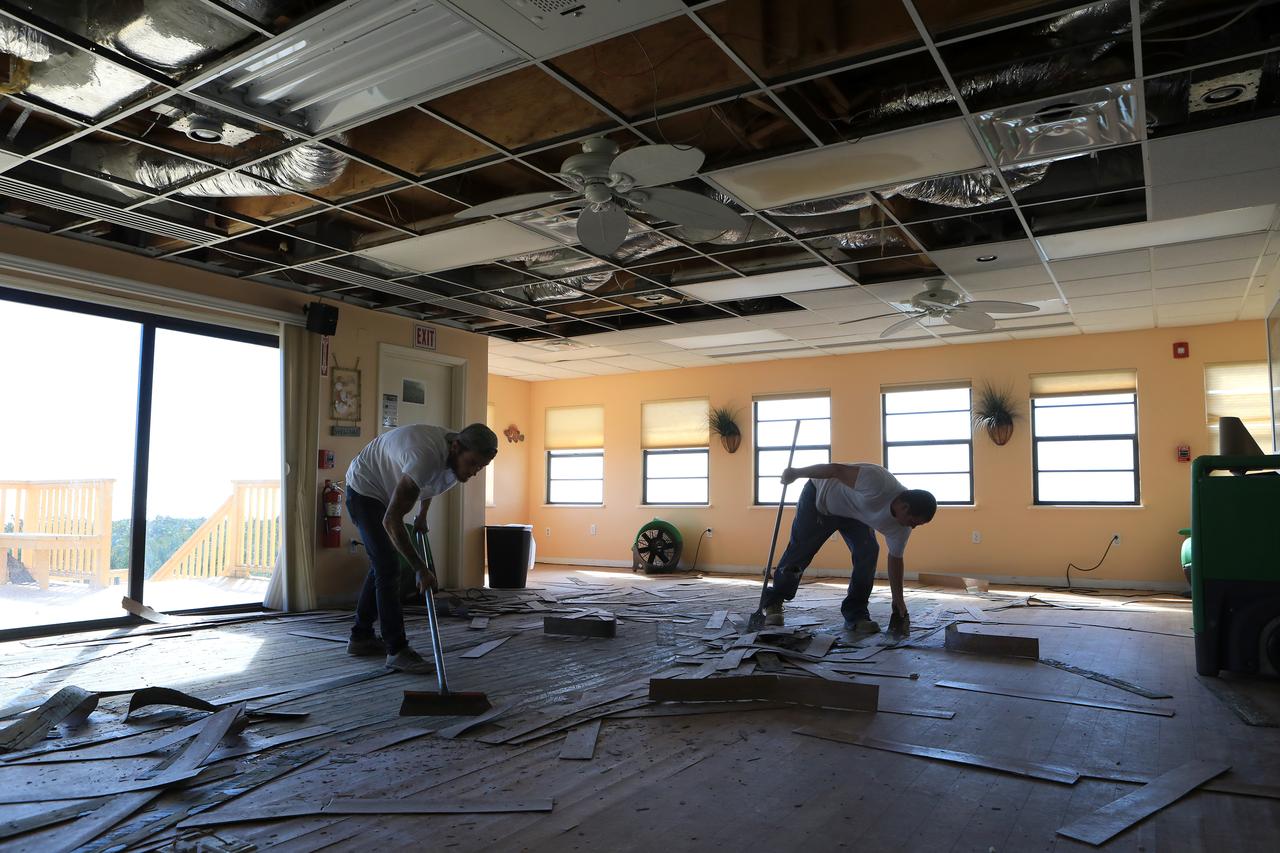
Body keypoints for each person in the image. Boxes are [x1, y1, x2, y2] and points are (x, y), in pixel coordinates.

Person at [344, 422, 498, 673]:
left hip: (389, 487)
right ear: (456, 447)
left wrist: (422, 514)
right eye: (472, 464)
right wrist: (420, 568)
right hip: (364, 487)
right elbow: (391, 520)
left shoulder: (454, 460)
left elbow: (430, 483)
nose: (474, 472)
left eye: (481, 467)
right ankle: (397, 650)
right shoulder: (424, 456)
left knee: (383, 564)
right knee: (388, 565)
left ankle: (360, 637)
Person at [761, 463, 936, 636]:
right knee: (801, 549)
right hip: (820, 497)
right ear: (904, 507)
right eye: (913, 522)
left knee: (868, 552)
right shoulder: (878, 482)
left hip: (854, 514)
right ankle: (774, 601)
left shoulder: (901, 527)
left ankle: (856, 614)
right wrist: (796, 472)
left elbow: (895, 559)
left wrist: (898, 599)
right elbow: (835, 469)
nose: (912, 528)